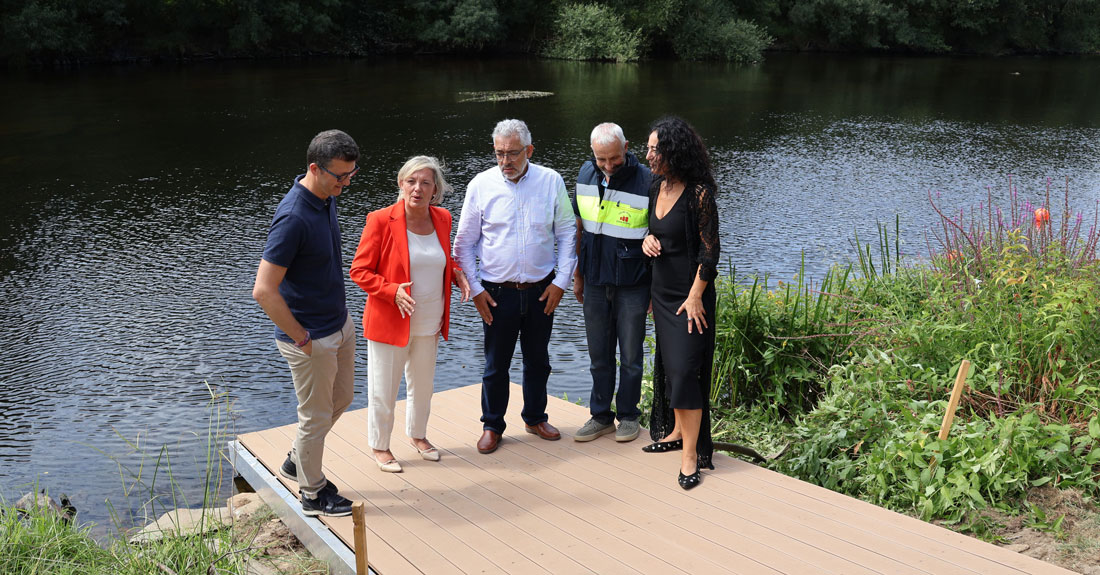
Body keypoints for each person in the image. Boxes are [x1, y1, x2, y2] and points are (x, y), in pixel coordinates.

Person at [453, 119, 578, 454]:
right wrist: (476, 289)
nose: (505, 161)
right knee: (496, 363)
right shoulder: (481, 185)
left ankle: (535, 417)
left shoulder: (550, 181)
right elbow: (463, 244)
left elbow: (567, 233)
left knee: (538, 359)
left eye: (512, 154)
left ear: (529, 151)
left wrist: (562, 282)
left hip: (542, 289)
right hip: (496, 292)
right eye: (499, 154)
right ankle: (492, 424)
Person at [252, 129, 359, 517]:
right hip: (310, 337)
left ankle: (297, 460)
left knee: (342, 399)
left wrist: (344, 322)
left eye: (350, 174)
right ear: (314, 168)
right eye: (339, 176)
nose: (345, 184)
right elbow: (263, 290)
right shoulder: (293, 217)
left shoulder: (324, 196)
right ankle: (312, 494)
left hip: (338, 324)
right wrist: (302, 338)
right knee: (314, 417)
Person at [349, 156, 471, 473]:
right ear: (401, 184)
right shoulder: (380, 219)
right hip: (390, 320)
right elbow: (359, 271)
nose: (417, 188)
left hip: (430, 319)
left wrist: (456, 272)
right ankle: (380, 445)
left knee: (423, 384)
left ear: (435, 190)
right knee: (383, 389)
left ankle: (418, 436)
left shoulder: (442, 218)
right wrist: (392, 291)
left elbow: (441, 258)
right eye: (411, 181)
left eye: (425, 183)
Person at [640, 116, 720, 490]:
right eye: (650, 147)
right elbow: (653, 231)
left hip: (691, 298)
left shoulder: (699, 193)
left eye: (656, 148)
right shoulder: (657, 186)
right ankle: (674, 431)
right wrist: (645, 240)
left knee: (687, 371)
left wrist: (694, 297)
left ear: (675, 150)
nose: (649, 154)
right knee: (672, 367)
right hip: (662, 292)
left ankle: (691, 455)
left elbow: (710, 253)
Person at [571, 123, 653, 443]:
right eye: (601, 159)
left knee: (631, 356)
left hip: (633, 284)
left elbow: (658, 240)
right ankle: (601, 416)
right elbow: (578, 227)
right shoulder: (585, 174)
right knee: (599, 356)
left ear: (626, 147)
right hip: (594, 280)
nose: (608, 165)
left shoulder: (647, 180)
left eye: (614, 159)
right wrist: (577, 275)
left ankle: (629, 416)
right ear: (593, 153)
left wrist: (653, 290)